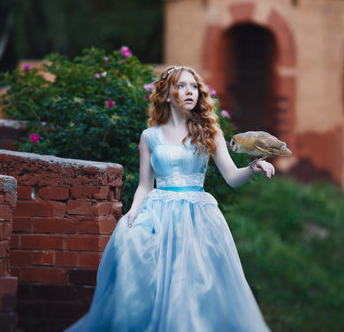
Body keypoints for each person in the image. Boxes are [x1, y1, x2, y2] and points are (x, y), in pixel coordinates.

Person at [65, 66, 274, 332]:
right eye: (182, 86)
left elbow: (232, 177)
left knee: (194, 287)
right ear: (166, 95)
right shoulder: (150, 136)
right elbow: (144, 185)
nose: (190, 91)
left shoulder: (210, 132)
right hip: (158, 216)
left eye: (194, 86)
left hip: (197, 217)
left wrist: (253, 168)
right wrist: (133, 212)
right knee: (146, 273)